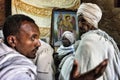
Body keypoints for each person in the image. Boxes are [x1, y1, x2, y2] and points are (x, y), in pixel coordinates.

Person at [75, 3, 120, 80]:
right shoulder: (106, 40)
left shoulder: (87, 42)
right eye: (78, 21)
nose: (79, 25)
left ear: (91, 20)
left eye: (83, 20)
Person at [0, 14, 41, 80]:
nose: (39, 44)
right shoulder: (18, 73)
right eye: (32, 38)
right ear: (12, 40)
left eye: (38, 38)